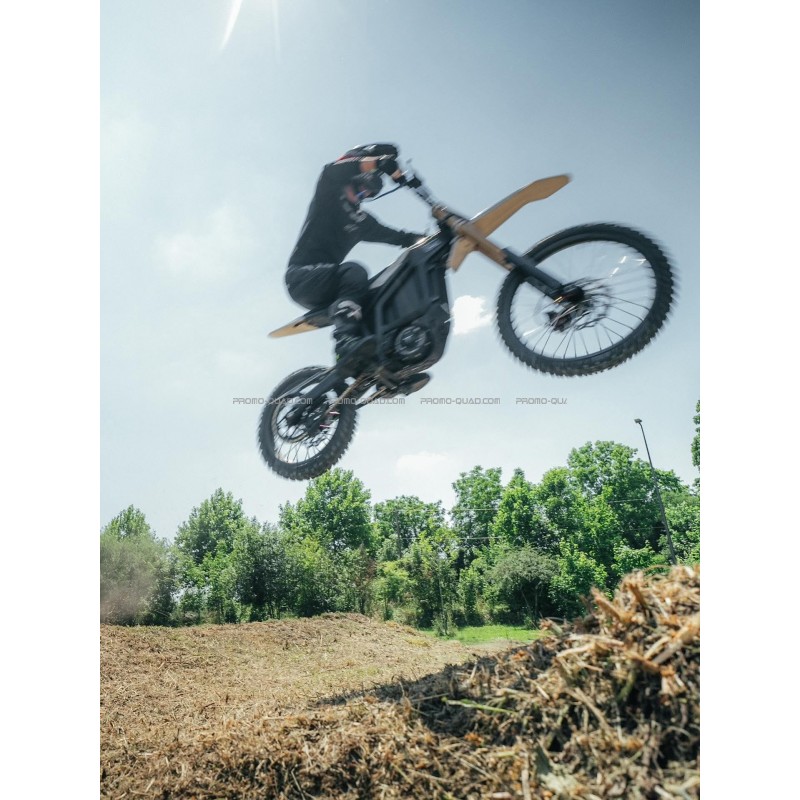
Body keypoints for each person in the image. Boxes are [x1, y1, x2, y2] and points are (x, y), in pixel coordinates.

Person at [285, 143, 423, 368]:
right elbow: (333, 170)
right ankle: (344, 344)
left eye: (366, 195)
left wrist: (432, 239)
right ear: (350, 181)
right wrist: (377, 162)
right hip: (302, 278)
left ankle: (378, 359)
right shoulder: (328, 194)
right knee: (355, 270)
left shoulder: (362, 222)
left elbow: (398, 237)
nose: (361, 197)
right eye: (359, 190)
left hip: (332, 286)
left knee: (377, 294)